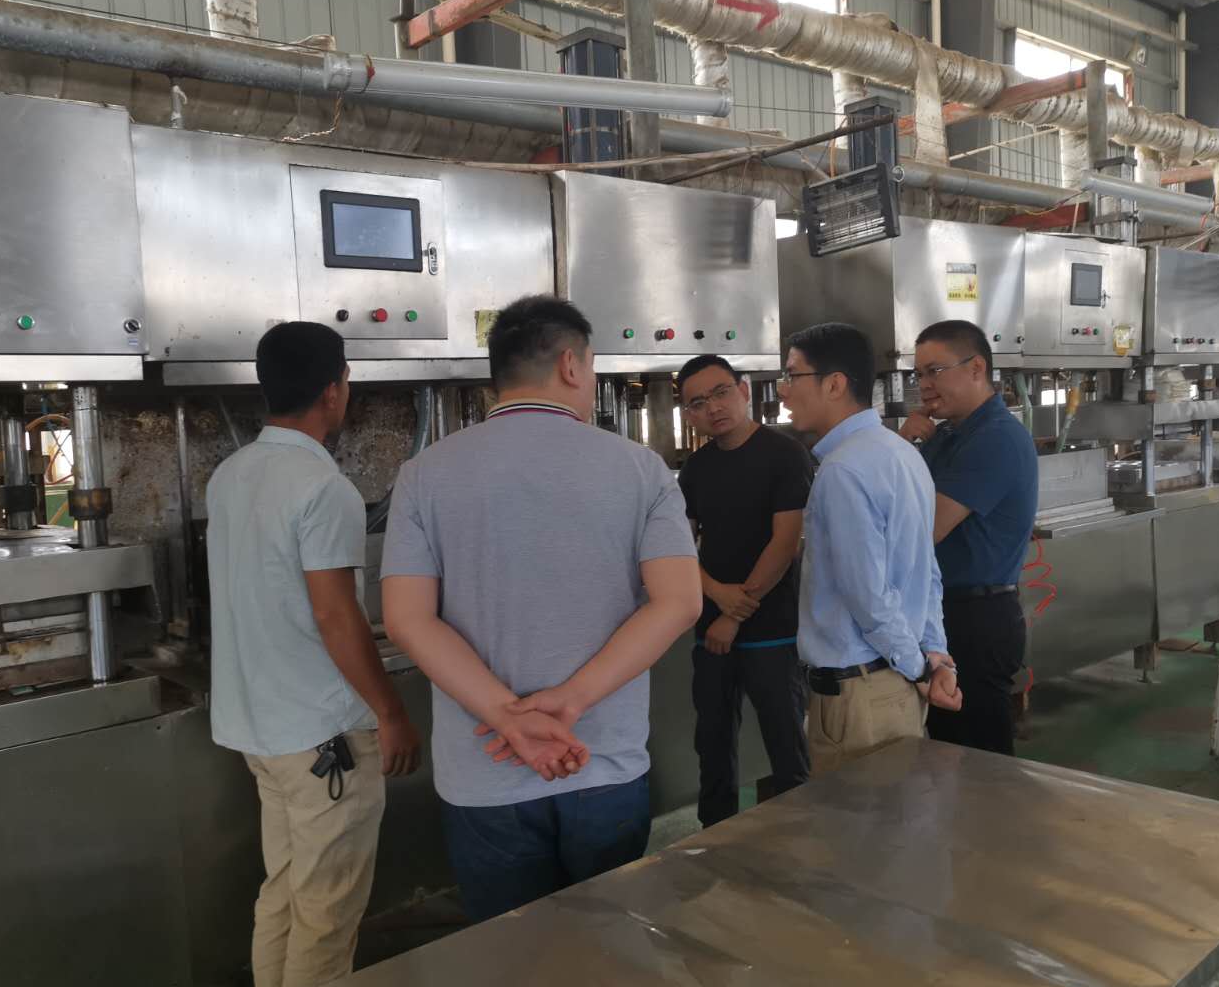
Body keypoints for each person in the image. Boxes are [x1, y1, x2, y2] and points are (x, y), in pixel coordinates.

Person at [381, 295, 701, 923]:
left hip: (485, 774)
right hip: (602, 761)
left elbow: (408, 619)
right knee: (609, 948)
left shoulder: (424, 474)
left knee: (511, 955)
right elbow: (679, 602)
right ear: (571, 365)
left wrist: (508, 715)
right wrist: (572, 700)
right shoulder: (642, 469)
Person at [206, 321, 422, 987]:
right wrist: (391, 713)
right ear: (333, 391)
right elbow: (335, 615)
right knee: (326, 916)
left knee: (284, 893)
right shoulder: (323, 488)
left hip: (260, 730)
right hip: (323, 737)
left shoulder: (231, 474)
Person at [777, 322, 961, 773]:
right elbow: (926, 572)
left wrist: (920, 668)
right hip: (895, 686)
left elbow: (869, 597)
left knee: (857, 818)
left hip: (861, 696)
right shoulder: (902, 454)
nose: (782, 390)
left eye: (792, 375)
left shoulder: (843, 470)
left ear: (834, 384)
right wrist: (935, 655)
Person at [676, 355, 812, 827]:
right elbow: (680, 547)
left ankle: (799, 839)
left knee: (786, 745)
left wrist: (734, 615)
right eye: (697, 403)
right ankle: (714, 841)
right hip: (711, 631)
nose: (712, 408)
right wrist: (716, 596)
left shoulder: (785, 454)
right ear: (689, 414)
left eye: (720, 393)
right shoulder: (696, 469)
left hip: (772, 632)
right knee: (713, 744)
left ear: (744, 390)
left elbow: (786, 543)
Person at [899, 320, 1038, 755]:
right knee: (947, 752)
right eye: (918, 374)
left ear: (977, 367)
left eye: (934, 371)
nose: (924, 385)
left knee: (978, 757)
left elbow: (924, 529)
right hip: (942, 612)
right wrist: (903, 446)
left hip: (976, 619)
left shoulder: (996, 438)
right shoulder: (945, 435)